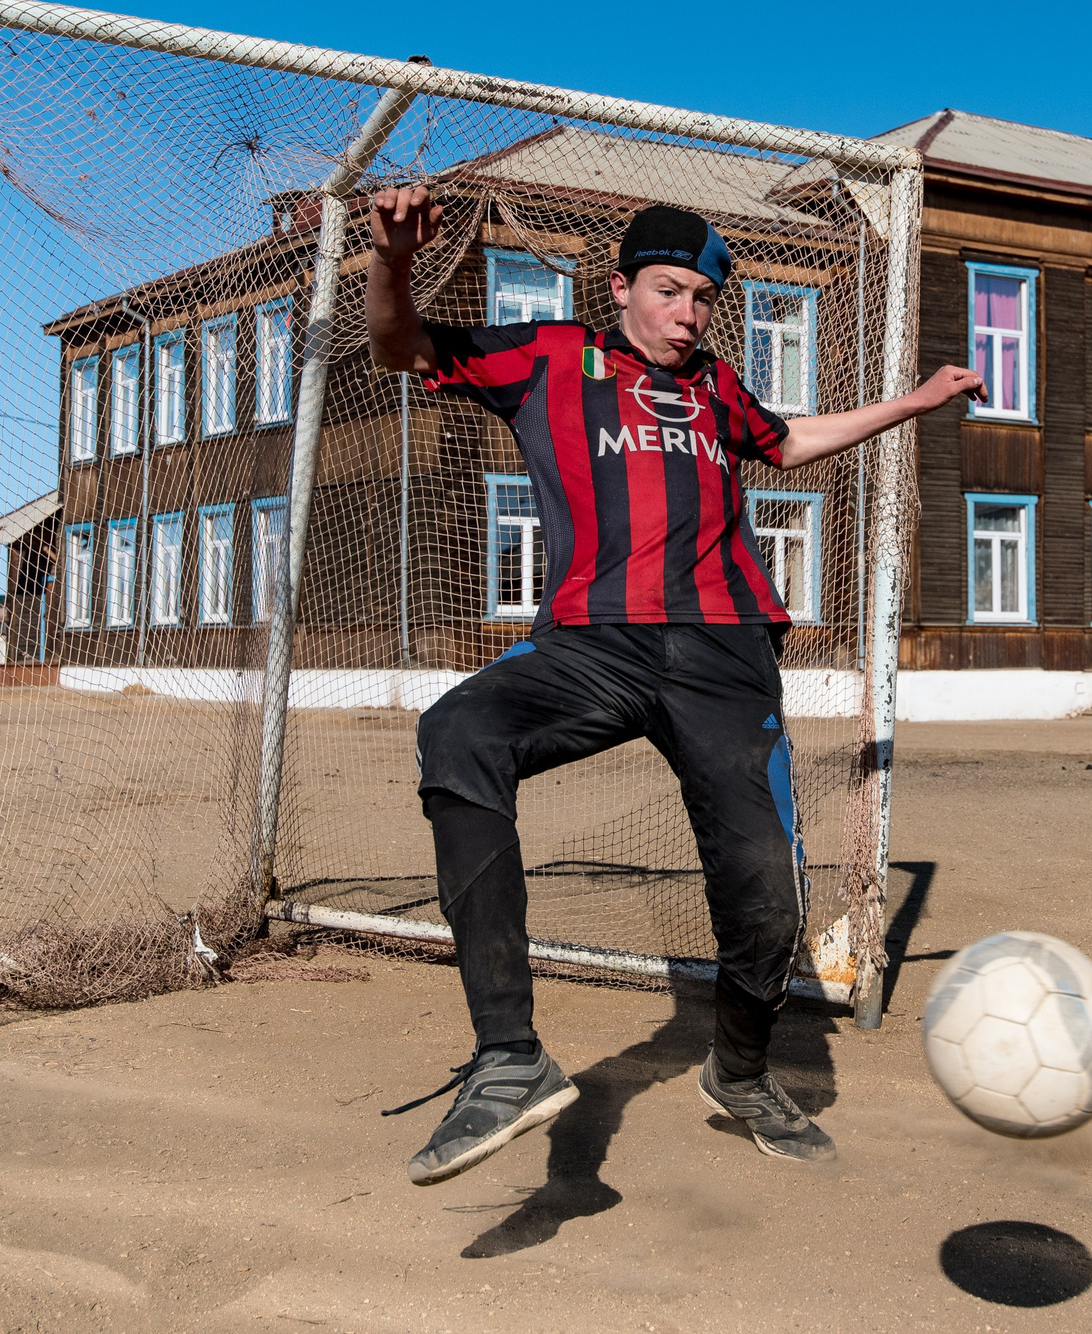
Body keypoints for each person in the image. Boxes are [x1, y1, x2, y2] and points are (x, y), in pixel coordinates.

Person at [364, 188, 983, 1186]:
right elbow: (402, 347)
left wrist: (909, 402)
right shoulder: (551, 359)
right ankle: (509, 1057)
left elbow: (786, 438)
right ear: (621, 290)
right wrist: (390, 260)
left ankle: (738, 1072)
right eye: (668, 291)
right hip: (593, 644)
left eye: (702, 296)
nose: (688, 312)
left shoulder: (716, 388)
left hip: (725, 659)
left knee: (766, 902)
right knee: (459, 730)